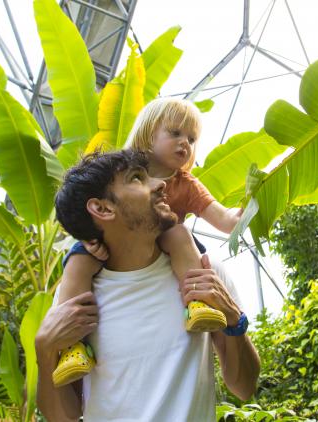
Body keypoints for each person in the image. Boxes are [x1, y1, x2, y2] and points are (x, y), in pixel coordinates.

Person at [35, 150, 259, 421]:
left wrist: (233, 318)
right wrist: (45, 351)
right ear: (103, 208)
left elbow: (244, 387)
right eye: (138, 178)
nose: (160, 183)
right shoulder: (74, 300)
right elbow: (64, 417)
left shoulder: (203, 274)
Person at [51, 98, 243, 387]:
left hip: (167, 244)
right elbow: (83, 204)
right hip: (111, 244)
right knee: (78, 260)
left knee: (179, 233)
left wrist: (251, 206)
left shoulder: (187, 183)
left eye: (191, 139)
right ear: (149, 132)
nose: (185, 143)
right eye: (175, 133)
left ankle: (197, 302)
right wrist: (90, 238)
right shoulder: (120, 168)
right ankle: (71, 346)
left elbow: (225, 221)